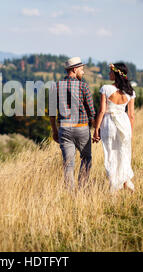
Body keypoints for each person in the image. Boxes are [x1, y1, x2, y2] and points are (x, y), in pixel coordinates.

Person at [50, 57, 96, 190]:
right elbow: (91, 111)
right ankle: (81, 188)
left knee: (68, 164)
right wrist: (96, 130)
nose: (83, 72)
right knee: (86, 159)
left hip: (64, 129)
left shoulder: (56, 86)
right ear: (74, 69)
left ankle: (70, 194)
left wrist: (54, 131)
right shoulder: (83, 86)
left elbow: (52, 113)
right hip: (81, 128)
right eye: (81, 70)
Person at [92, 62, 136, 192]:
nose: (109, 74)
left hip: (109, 122)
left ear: (116, 74)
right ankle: (125, 180)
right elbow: (131, 115)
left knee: (110, 153)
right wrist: (130, 133)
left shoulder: (106, 88)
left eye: (110, 72)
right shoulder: (130, 92)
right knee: (124, 152)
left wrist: (96, 129)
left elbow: (102, 111)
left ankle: (114, 184)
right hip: (124, 123)